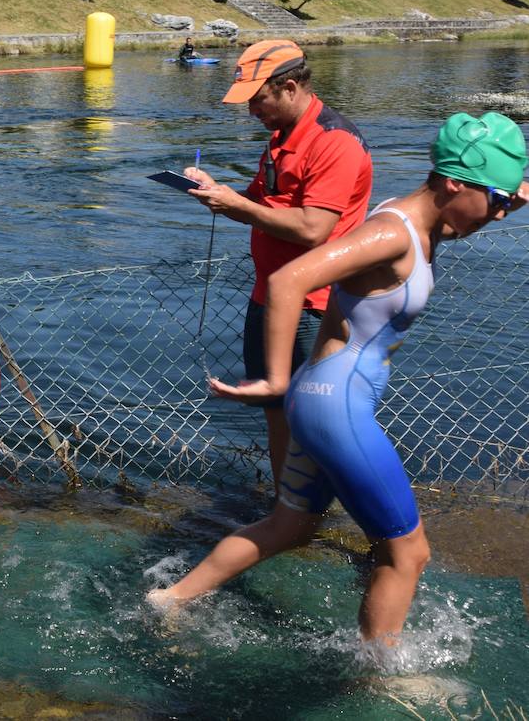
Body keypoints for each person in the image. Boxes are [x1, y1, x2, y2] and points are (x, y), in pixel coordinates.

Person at [151, 112, 528, 646]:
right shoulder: (390, 235)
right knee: (407, 553)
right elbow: (289, 280)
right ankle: (381, 677)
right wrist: (274, 379)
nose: (501, 213)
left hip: (324, 399)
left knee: (290, 525)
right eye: (497, 201)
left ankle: (170, 599)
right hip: (334, 407)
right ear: (453, 184)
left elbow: (474, 209)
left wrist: (510, 193)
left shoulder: (425, 220)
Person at [184, 40, 372, 494]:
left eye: (257, 99)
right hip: (269, 298)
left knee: (316, 417)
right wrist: (219, 193)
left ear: (289, 88)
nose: (252, 111)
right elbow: (259, 204)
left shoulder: (334, 142)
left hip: (315, 306)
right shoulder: (281, 139)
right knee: (276, 411)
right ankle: (287, 503)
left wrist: (237, 206)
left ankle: (322, 506)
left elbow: (313, 228)